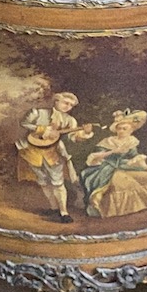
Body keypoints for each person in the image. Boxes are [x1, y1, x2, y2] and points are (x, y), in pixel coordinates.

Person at [16, 91, 93, 221]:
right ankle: (53, 208)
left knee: (57, 183)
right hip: (31, 151)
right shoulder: (38, 112)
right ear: (56, 101)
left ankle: (64, 213)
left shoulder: (70, 121)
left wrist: (85, 133)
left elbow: (74, 138)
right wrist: (41, 129)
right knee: (43, 181)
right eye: (65, 103)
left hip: (54, 153)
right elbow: (24, 123)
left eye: (71, 105)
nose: (68, 107)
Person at [81, 109, 147, 218]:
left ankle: (143, 205)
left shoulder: (132, 141)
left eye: (124, 129)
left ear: (131, 130)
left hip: (127, 165)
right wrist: (112, 151)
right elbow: (94, 157)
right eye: (119, 128)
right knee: (122, 183)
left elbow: (135, 157)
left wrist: (144, 166)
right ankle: (114, 210)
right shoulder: (108, 141)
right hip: (107, 168)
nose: (121, 131)